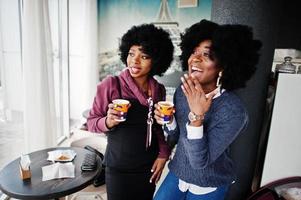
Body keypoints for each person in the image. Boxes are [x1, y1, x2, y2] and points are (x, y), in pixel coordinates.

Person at [153, 20, 262, 200]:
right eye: (194, 51)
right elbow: (177, 136)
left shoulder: (234, 111)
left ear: (223, 66)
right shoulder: (183, 92)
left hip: (209, 182)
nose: (195, 58)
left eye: (207, 54)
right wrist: (169, 121)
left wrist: (197, 117)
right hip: (178, 172)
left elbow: (199, 162)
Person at [87, 24, 174, 200]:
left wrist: (163, 154)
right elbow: (91, 122)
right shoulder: (111, 85)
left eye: (144, 56)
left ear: (156, 60)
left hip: (148, 166)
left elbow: (157, 128)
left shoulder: (158, 89)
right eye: (131, 53)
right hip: (119, 168)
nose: (135, 61)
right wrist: (108, 122)